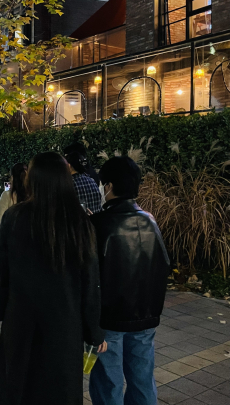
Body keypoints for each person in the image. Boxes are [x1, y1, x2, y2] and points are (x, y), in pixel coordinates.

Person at [0, 152, 105, 405]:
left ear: (33, 180)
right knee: (58, 391)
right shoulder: (80, 223)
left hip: (21, 320)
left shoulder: (14, 217)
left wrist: (4, 308)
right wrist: (94, 331)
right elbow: (90, 282)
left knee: (20, 388)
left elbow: (4, 271)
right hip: (65, 324)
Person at [89, 157, 170, 405]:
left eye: (103, 184)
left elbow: (92, 274)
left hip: (109, 320)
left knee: (109, 382)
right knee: (143, 378)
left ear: (110, 186)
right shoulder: (150, 220)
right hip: (145, 316)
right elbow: (163, 265)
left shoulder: (98, 224)